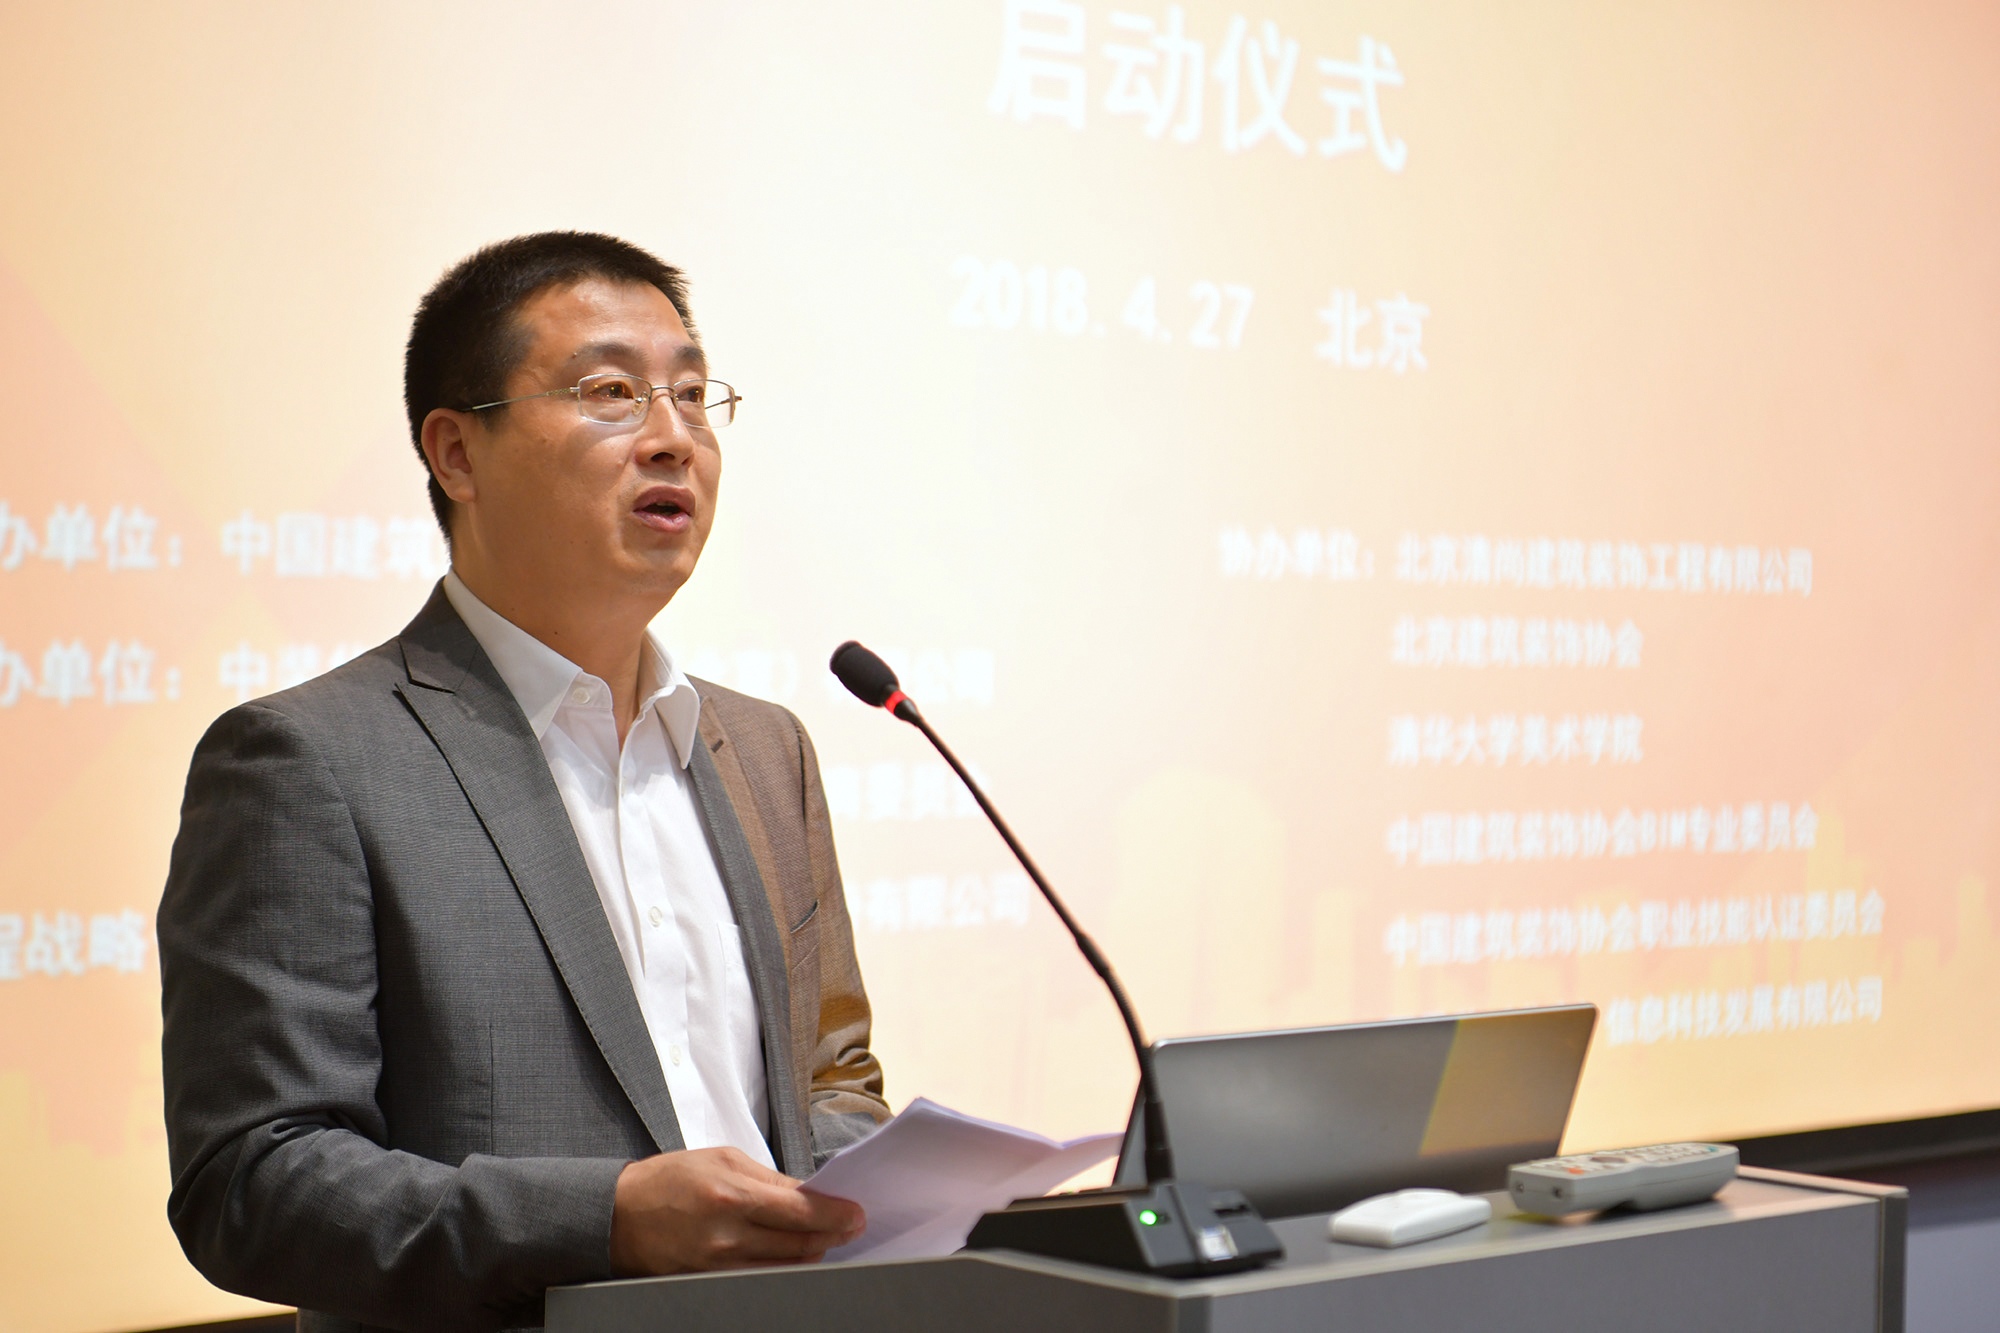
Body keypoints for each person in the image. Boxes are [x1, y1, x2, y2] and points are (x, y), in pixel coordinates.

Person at [158, 232, 888, 1333]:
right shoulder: (309, 762)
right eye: (612, 392)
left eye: (694, 396)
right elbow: (252, 1181)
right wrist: (606, 1219)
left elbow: (830, 1076)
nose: (673, 437)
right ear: (456, 452)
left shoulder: (764, 748)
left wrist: (871, 1184)